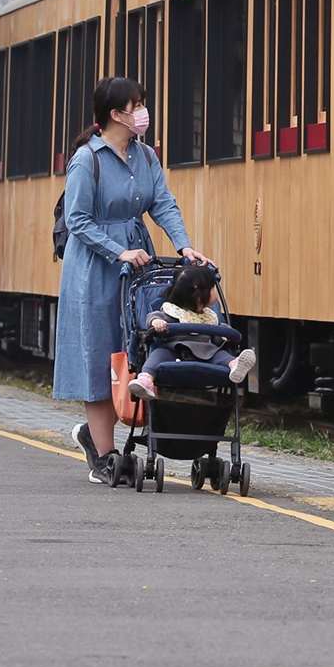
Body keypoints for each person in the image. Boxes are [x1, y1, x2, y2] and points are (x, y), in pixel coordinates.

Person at [56, 77, 208, 483]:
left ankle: (96, 437)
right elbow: (77, 220)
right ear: (115, 114)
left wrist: (185, 247)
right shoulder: (87, 159)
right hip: (94, 268)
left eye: (142, 103)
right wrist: (117, 250)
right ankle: (105, 457)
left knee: (131, 350)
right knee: (99, 353)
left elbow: (163, 203)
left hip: (135, 268)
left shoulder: (145, 155)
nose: (143, 112)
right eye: (136, 105)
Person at [127, 265, 256, 400]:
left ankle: (234, 364)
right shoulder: (173, 312)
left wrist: (224, 335)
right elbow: (152, 317)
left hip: (206, 352)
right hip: (174, 351)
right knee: (157, 354)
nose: (215, 293)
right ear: (200, 296)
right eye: (212, 289)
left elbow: (218, 332)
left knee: (220, 354)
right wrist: (156, 322)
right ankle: (146, 379)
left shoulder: (209, 316)